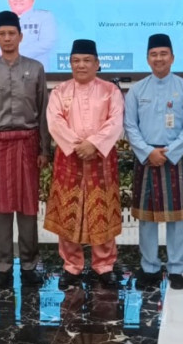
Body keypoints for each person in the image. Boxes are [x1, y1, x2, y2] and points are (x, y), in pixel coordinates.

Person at [0, 10, 51, 289]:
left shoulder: (36, 68)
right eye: (2, 34)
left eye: (11, 33)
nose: (7, 38)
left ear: (20, 36)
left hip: (28, 145)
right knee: (2, 209)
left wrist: (45, 149)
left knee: (28, 209)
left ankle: (29, 265)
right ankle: (4, 266)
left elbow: (43, 112)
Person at [44, 39, 125, 291]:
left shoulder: (110, 91)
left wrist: (94, 144)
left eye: (87, 60)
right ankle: (71, 266)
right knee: (68, 211)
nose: (81, 65)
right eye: (76, 60)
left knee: (102, 211)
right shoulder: (59, 91)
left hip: (101, 159)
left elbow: (115, 121)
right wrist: (76, 145)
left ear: (97, 63)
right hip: (69, 159)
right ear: (70, 63)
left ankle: (104, 265)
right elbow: (54, 121)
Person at [123, 33, 183, 290]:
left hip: (174, 158)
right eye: (154, 54)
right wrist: (148, 152)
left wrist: (169, 152)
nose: (159, 58)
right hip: (146, 158)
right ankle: (150, 267)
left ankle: (176, 268)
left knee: (177, 217)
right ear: (147, 59)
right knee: (147, 217)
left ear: (172, 57)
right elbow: (130, 126)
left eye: (163, 54)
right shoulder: (137, 90)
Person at [0, 0, 57, 69]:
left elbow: (47, 42)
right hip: (5, 70)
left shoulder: (44, 16)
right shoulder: (1, 18)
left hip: (35, 71)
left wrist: (12, 54)